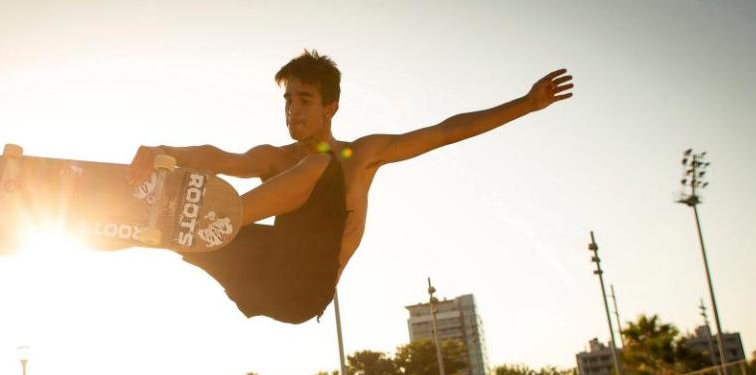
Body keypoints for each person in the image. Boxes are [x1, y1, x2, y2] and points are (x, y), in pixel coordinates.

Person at [129, 50, 573, 324]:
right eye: (287, 101)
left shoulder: (359, 155)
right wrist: (168, 153)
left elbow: (445, 131)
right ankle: (139, 224)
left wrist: (526, 105)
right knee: (174, 219)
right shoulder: (275, 157)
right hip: (257, 278)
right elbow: (221, 157)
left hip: (307, 287)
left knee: (322, 165)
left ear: (331, 107)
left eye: (304, 100)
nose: (293, 111)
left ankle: (213, 220)